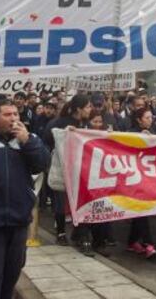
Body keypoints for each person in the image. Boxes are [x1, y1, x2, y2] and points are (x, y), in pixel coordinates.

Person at [0, 99, 50, 299]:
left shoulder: (28, 139)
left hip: (19, 220)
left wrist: (28, 142)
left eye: (16, 114)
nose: (13, 119)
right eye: (7, 115)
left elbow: (42, 163)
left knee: (12, 273)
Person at [42, 94, 93, 250]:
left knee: (77, 201)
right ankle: (61, 232)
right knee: (60, 200)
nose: (90, 110)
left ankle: (78, 233)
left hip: (79, 168)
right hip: (62, 167)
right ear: (78, 109)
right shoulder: (59, 123)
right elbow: (47, 140)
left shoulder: (85, 124)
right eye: (88, 107)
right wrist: (64, 134)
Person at [126, 107, 156, 258]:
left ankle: (132, 241)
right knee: (141, 210)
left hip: (148, 178)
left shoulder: (153, 133)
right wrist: (139, 137)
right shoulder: (131, 132)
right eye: (146, 118)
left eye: (151, 117)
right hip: (134, 178)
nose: (150, 120)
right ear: (139, 120)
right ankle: (149, 243)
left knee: (140, 211)